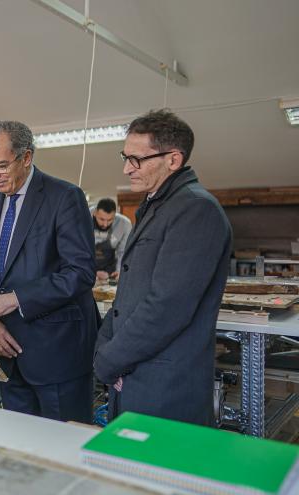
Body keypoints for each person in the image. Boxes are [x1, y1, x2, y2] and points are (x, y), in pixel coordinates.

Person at [94, 110, 232, 426]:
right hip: (133, 371)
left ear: (173, 160)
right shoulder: (159, 205)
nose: (127, 168)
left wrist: (110, 359)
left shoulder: (196, 209)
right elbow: (129, 294)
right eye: (125, 157)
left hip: (163, 385)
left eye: (137, 159)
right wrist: (105, 349)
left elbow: (168, 305)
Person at [0, 120, 98, 423]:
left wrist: (15, 299)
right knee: (21, 446)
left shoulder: (64, 197)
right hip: (6, 350)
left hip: (57, 355)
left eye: (0, 165)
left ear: (26, 157)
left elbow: (79, 272)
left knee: (65, 449)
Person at [90, 198, 132, 282]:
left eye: (110, 220)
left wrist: (120, 271)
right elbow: (77, 249)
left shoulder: (124, 224)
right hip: (87, 268)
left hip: (109, 270)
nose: (105, 224)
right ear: (95, 213)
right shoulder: (83, 217)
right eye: (101, 219)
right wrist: (91, 272)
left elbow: (123, 251)